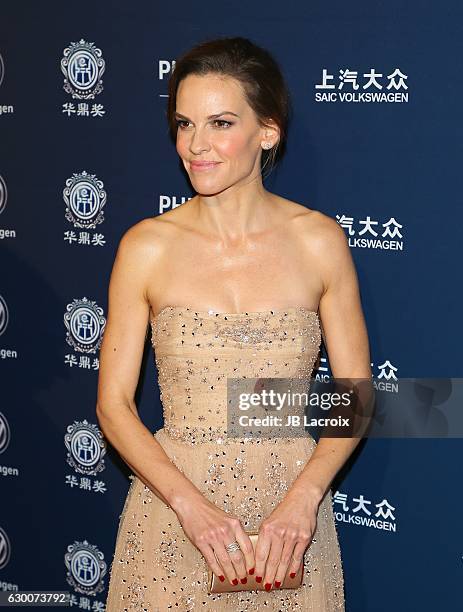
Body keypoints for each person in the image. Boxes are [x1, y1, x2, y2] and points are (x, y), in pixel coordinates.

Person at [98, 36, 372, 611]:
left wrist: (305, 500)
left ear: (267, 132)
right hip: (173, 511)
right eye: (185, 123)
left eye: (220, 123)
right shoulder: (146, 247)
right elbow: (114, 406)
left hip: (290, 523)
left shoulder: (319, 241)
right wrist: (190, 509)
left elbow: (355, 396)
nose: (196, 146)